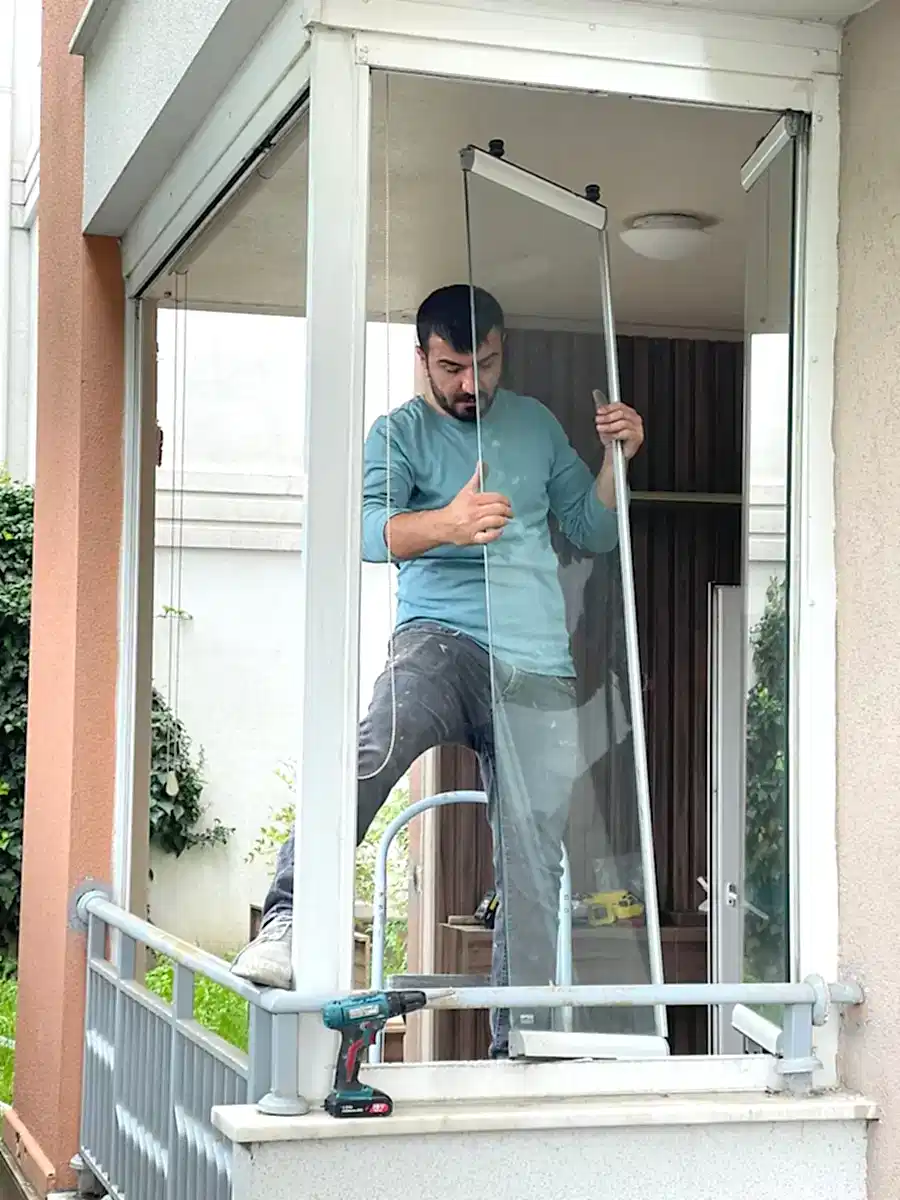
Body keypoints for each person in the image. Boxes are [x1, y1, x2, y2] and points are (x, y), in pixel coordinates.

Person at [231, 284, 644, 1055]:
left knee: (534, 860)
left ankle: (518, 1044)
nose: (469, 384)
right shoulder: (399, 433)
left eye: (485, 364)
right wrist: (447, 524)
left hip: (537, 664)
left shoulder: (535, 424)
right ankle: (287, 916)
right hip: (440, 642)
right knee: (377, 748)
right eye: (452, 367)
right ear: (422, 357)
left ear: (502, 351)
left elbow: (591, 530)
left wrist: (616, 460)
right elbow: (364, 531)